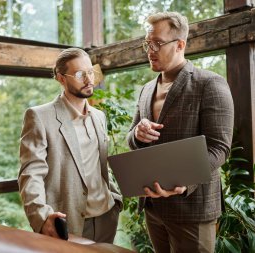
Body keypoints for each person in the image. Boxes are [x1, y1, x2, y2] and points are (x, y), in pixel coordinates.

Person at [127, 12, 234, 253]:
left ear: (180, 45)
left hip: (192, 209)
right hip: (153, 207)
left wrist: (184, 181)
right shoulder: (146, 89)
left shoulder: (210, 83)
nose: (149, 50)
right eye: (147, 43)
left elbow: (220, 148)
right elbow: (131, 138)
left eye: (157, 43)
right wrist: (137, 134)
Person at [18, 48, 122, 243]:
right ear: (61, 78)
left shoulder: (99, 116)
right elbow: (31, 173)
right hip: (69, 223)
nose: (89, 79)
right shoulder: (39, 116)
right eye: (80, 74)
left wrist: (115, 198)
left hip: (107, 215)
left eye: (90, 72)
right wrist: (41, 217)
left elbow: (99, 165)